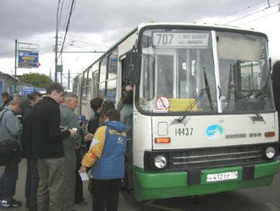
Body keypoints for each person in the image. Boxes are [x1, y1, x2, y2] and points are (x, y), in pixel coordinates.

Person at [31, 83, 77, 211]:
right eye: (61, 95)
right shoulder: (53, 108)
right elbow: (54, 135)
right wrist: (68, 133)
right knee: (56, 187)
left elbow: (32, 130)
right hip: (54, 155)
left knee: (43, 186)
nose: (62, 99)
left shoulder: (37, 106)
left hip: (40, 154)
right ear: (54, 93)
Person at [80, 109, 127, 211]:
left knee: (99, 202)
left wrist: (85, 164)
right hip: (118, 171)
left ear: (106, 118)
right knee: (113, 201)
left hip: (102, 172)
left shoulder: (102, 130)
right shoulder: (123, 131)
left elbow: (95, 151)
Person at [21, 91, 43, 211]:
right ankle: (33, 204)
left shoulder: (28, 112)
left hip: (29, 150)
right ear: (33, 101)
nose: (40, 104)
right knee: (35, 178)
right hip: (33, 151)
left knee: (31, 176)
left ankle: (29, 199)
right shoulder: (32, 114)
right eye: (39, 101)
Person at [60, 92, 81, 211]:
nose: (77, 104)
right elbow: (75, 133)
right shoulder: (70, 114)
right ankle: (68, 206)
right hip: (68, 149)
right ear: (68, 101)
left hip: (56, 149)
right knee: (69, 179)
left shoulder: (56, 110)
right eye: (76, 101)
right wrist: (79, 141)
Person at [0, 97, 23, 208]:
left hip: (4, 146)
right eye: (20, 107)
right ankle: (7, 198)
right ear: (16, 105)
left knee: (7, 173)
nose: (19, 110)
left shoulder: (3, 112)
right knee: (12, 174)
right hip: (10, 147)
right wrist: (21, 125)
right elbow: (15, 130)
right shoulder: (9, 115)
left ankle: (3, 196)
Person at [120, 89, 134, 190]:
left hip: (125, 138)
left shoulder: (123, 110)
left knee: (126, 162)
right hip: (130, 139)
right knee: (130, 162)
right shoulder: (132, 111)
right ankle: (130, 185)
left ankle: (126, 183)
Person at [74, 115, 88, 205]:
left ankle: (78, 197)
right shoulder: (79, 133)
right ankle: (78, 198)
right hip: (79, 157)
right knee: (78, 178)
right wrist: (84, 139)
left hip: (77, 157)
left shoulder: (77, 131)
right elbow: (78, 144)